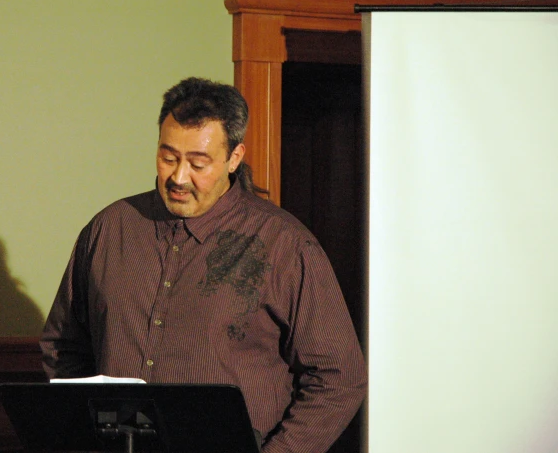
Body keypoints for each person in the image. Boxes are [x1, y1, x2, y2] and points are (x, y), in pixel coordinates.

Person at [39, 77, 367, 453]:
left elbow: (339, 378)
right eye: (168, 158)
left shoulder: (285, 246)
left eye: (198, 163)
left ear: (234, 158)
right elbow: (63, 346)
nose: (179, 177)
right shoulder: (108, 230)